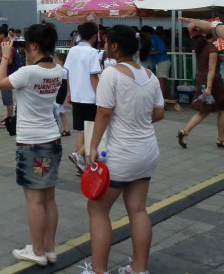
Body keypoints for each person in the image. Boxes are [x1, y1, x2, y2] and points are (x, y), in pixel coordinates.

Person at [86, 25, 165, 274]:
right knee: (138, 209)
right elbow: (159, 113)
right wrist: (136, 119)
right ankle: (139, 269)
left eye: (106, 42)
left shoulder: (112, 74)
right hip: (147, 152)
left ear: (115, 47)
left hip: (122, 154)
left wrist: (93, 146)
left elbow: (104, 112)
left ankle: (99, 271)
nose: (104, 46)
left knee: (97, 209)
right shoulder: (150, 75)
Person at [0, 23, 62, 267]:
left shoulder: (27, 73)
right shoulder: (58, 70)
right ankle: (49, 248)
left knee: (34, 200)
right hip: (52, 139)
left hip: (32, 143)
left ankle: (37, 251)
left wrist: (5, 57)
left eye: (26, 46)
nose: (24, 51)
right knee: (49, 199)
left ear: (34, 45)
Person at [177, 22, 224, 150]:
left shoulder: (201, 46)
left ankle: (185, 132)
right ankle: (221, 138)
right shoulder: (212, 48)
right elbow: (211, 70)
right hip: (213, 83)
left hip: (202, 80)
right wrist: (209, 87)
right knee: (223, 109)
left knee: (204, 110)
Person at [64, 22, 101, 175]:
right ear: (94, 36)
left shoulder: (72, 50)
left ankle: (81, 165)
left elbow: (68, 73)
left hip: (77, 96)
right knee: (95, 131)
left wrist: (69, 92)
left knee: (81, 130)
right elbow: (93, 75)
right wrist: (100, 95)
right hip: (90, 97)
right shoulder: (92, 52)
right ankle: (79, 155)